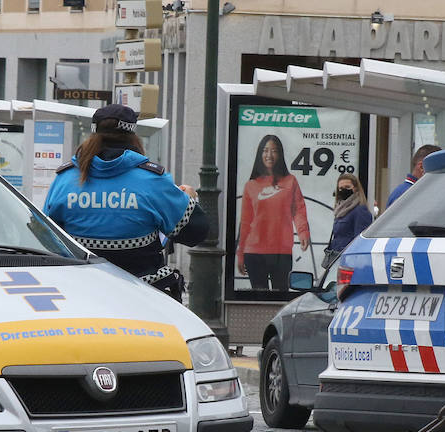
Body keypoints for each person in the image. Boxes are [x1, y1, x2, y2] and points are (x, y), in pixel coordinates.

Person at [43, 104, 207, 300]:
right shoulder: (152, 180)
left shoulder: (65, 178)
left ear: (94, 133)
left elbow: (46, 237)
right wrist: (190, 199)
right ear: (133, 135)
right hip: (142, 297)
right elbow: (195, 233)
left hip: (80, 295)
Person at [235, 133, 310, 291]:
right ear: (260, 153)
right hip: (254, 252)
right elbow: (246, 222)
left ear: (280, 154)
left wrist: (303, 232)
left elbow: (298, 210)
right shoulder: (251, 185)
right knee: (259, 298)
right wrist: (240, 253)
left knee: (281, 295)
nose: (269, 155)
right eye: (265, 150)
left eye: (274, 151)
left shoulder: (290, 181)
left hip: (281, 251)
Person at [324, 173, 372, 268]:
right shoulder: (340, 209)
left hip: (349, 261)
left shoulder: (360, 210)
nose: (344, 190)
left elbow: (359, 240)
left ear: (355, 188)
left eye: (347, 187)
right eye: (341, 188)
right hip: (336, 258)